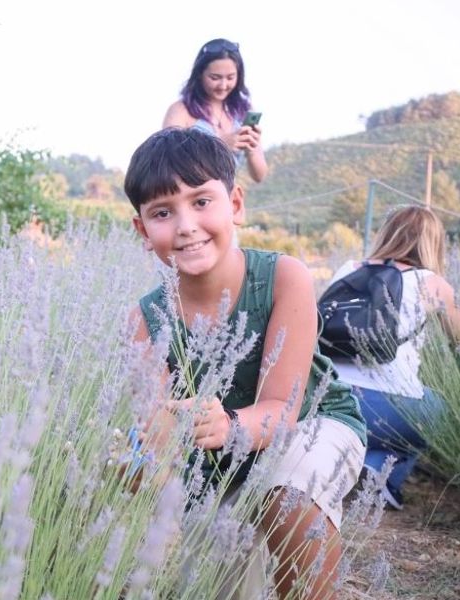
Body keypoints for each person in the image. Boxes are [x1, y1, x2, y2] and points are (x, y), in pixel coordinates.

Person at [126, 127, 364, 599]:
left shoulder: (282, 277)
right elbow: (155, 432)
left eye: (201, 202)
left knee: (289, 499)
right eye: (162, 212)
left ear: (235, 204)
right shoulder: (143, 319)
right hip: (214, 460)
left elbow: (283, 406)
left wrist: (228, 423)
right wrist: (143, 463)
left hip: (310, 424)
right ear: (142, 230)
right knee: (215, 574)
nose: (186, 225)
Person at [327, 205, 460, 510]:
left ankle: (359, 460)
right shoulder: (432, 282)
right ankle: (383, 476)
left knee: (380, 409)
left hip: (329, 400)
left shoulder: (349, 269)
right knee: (438, 409)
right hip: (387, 410)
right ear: (433, 243)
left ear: (386, 233)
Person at [163, 38, 268, 183]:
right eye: (215, 78)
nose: (223, 85)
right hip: (194, 198)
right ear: (199, 74)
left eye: (230, 77)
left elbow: (259, 176)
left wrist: (251, 149)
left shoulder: (242, 111)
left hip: (226, 198)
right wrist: (219, 144)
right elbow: (167, 160)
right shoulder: (180, 110)